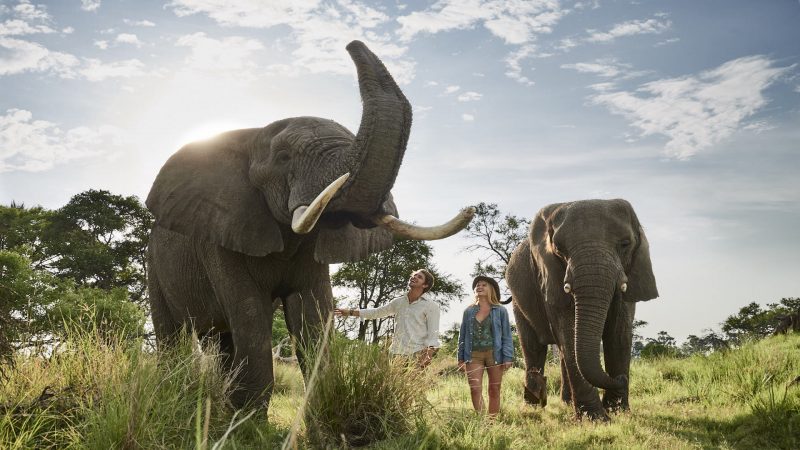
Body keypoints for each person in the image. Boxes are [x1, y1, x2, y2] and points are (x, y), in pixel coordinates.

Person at [334, 269, 440, 369]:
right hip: (396, 353)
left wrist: (428, 355)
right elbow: (377, 312)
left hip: (417, 353)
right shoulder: (399, 302)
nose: (414, 277)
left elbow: (433, 333)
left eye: (419, 277)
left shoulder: (431, 306)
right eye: (414, 275)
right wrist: (350, 312)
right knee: (395, 387)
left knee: (415, 387)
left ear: (425, 285)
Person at [457, 275, 514, 416]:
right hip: (473, 355)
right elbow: (462, 336)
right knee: (475, 389)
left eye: (483, 285)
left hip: (495, 354)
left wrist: (508, 357)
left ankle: (492, 422)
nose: (479, 287)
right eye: (477, 285)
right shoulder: (468, 311)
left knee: (494, 389)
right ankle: (482, 422)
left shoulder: (500, 310)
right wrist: (460, 358)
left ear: (491, 289)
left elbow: (507, 335)